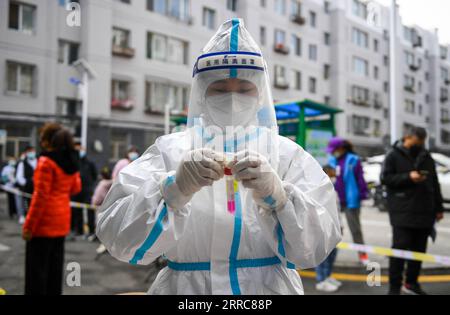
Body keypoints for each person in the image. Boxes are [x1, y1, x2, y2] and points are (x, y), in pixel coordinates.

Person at [96, 19, 341, 295]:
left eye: (245, 89)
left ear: (260, 94)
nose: (233, 98)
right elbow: (116, 236)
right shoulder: (169, 151)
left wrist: (280, 197)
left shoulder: (286, 155)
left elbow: (318, 243)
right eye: (220, 88)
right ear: (202, 92)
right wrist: (173, 190)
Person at [381, 127, 444, 295]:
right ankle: (394, 287)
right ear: (407, 137)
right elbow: (385, 179)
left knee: (419, 251)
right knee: (399, 249)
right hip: (402, 211)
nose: (420, 145)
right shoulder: (393, 155)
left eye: (422, 142)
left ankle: (411, 283)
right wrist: (408, 177)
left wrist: (438, 208)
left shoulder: (426, 156)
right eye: (417, 142)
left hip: (425, 211)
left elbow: (434, 183)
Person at [23, 123, 81, 295]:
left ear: (49, 141)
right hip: (61, 222)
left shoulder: (46, 162)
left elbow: (40, 197)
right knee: (55, 272)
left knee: (36, 275)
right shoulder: (71, 161)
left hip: (43, 225)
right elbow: (75, 189)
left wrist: (28, 226)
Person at [327, 137, 369, 266]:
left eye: (334, 150)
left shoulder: (353, 160)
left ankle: (363, 256)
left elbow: (360, 178)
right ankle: (330, 258)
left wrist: (362, 194)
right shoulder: (332, 161)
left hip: (351, 200)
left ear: (341, 148)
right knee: (334, 230)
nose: (332, 152)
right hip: (336, 201)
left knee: (355, 230)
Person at [315, 165, 342, 293]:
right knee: (323, 255)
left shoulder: (333, 190)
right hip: (324, 229)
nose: (335, 177)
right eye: (332, 174)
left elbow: (337, 211)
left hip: (334, 228)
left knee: (332, 254)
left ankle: (328, 276)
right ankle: (321, 280)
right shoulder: (320, 190)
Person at [71, 142, 98, 239]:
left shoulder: (89, 163)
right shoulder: (73, 162)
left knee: (89, 210)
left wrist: (90, 186)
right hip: (76, 191)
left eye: (80, 149)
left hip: (87, 190)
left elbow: (94, 175)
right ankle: (79, 231)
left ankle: (91, 231)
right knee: (76, 211)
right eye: (77, 150)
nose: (79, 151)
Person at [16, 146, 37, 217]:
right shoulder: (22, 163)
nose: (31, 153)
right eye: (29, 151)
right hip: (27, 188)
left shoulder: (39, 161)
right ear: (26, 153)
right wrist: (28, 183)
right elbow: (19, 177)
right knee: (27, 205)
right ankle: (25, 216)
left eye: (32, 151)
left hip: (38, 187)